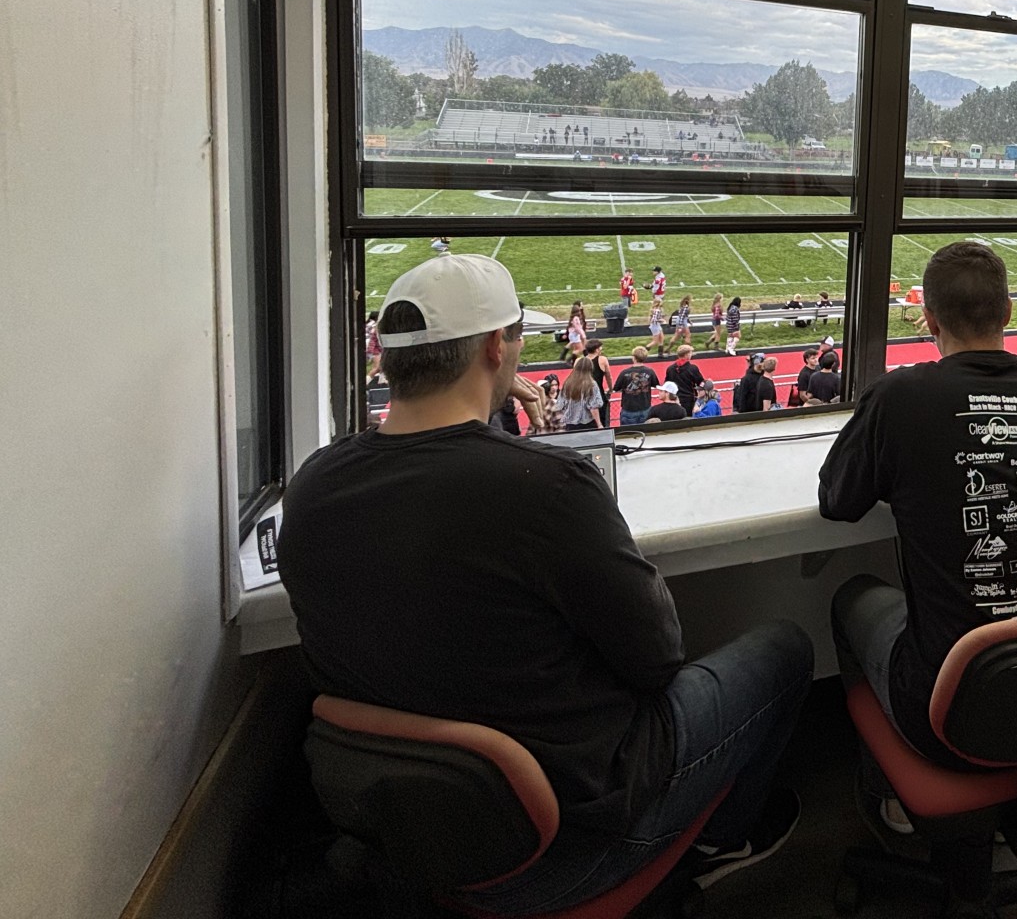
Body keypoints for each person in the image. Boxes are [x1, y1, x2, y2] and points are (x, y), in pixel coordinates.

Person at [278, 255, 810, 906]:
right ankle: (722, 840)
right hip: (567, 841)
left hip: (404, 831)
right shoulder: (548, 487)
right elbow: (656, 659)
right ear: (495, 348)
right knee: (785, 650)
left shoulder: (312, 486)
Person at [819, 240, 1017, 778]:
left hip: (953, 715)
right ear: (1008, 312)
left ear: (929, 319)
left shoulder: (899, 396)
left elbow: (836, 500)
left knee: (850, 598)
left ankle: (883, 788)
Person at [612, 355, 659, 426]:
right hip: (645, 407)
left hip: (629, 408)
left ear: (634, 358)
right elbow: (656, 384)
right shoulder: (650, 371)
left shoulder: (624, 372)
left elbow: (616, 388)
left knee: (627, 431)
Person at [558, 357, 602, 431]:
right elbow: (593, 407)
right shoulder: (591, 384)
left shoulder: (568, 383)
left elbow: (560, 404)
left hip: (569, 423)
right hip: (587, 423)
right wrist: (599, 424)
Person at [582, 338, 613, 427]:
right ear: (596, 349)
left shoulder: (580, 361)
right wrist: (610, 389)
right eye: (600, 348)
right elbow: (608, 377)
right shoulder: (602, 360)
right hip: (598, 394)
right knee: (602, 420)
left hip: (584, 394)